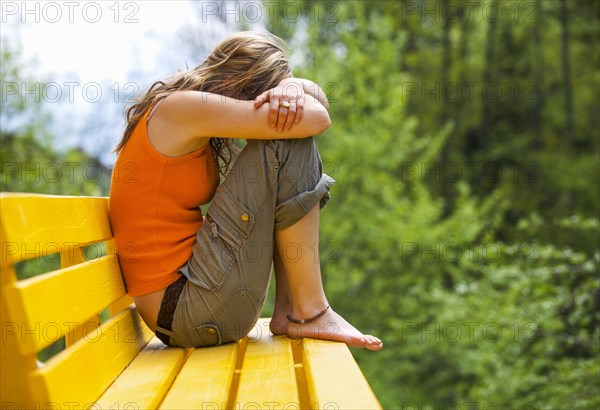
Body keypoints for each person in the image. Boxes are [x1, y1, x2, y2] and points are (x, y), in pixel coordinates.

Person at [109, 31, 382, 351]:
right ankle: (309, 312)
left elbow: (314, 108)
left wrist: (292, 86)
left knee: (285, 141)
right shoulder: (181, 109)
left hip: (190, 304)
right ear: (240, 84)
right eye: (263, 96)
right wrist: (293, 92)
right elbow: (316, 118)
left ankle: (292, 310)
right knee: (288, 139)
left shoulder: (178, 107)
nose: (264, 106)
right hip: (187, 310)